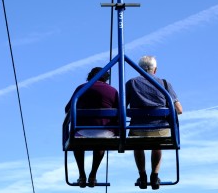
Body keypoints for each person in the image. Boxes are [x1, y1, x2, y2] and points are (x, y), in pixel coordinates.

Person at [126, 56, 183, 190]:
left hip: (137, 128)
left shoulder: (131, 83)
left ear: (139, 69)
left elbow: (122, 108)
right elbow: (179, 110)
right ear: (155, 69)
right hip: (160, 128)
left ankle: (142, 175)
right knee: (157, 143)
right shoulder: (164, 83)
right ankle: (155, 175)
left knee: (137, 145)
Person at [65, 67, 119, 188]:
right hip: (105, 132)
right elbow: (120, 112)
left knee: (77, 141)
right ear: (106, 78)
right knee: (101, 142)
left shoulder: (81, 89)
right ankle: (93, 175)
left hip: (82, 131)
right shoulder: (113, 91)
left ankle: (82, 174)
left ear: (90, 76)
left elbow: (68, 109)